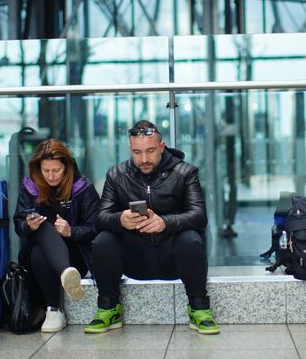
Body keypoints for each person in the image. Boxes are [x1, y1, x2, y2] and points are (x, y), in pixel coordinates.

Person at [84, 120, 220, 335]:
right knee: (103, 241)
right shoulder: (116, 175)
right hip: (135, 256)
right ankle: (109, 307)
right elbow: (100, 218)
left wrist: (165, 222)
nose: (144, 159)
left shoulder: (185, 172)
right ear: (130, 149)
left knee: (191, 238)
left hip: (172, 256)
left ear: (162, 146)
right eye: (137, 152)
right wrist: (121, 219)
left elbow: (199, 215)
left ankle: (198, 307)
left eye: (150, 151)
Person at [13, 138, 100, 333]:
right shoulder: (29, 186)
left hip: (73, 256)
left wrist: (71, 231)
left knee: (40, 254)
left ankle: (54, 311)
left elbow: (96, 227)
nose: (51, 176)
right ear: (38, 169)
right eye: (46, 171)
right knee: (43, 228)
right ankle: (65, 274)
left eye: (56, 170)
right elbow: (18, 224)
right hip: (34, 257)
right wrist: (28, 226)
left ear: (67, 167)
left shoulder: (83, 188)